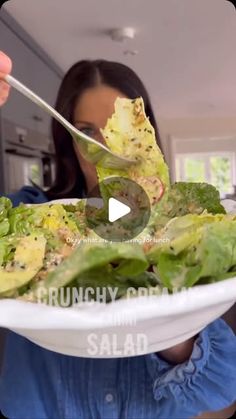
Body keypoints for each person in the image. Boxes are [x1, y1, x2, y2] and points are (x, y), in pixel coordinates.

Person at [0, 50, 235, 419]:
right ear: (69, 141)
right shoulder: (29, 217)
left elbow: (222, 388)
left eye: (116, 128)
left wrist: (173, 328)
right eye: (87, 132)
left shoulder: (180, 227)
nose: (103, 149)